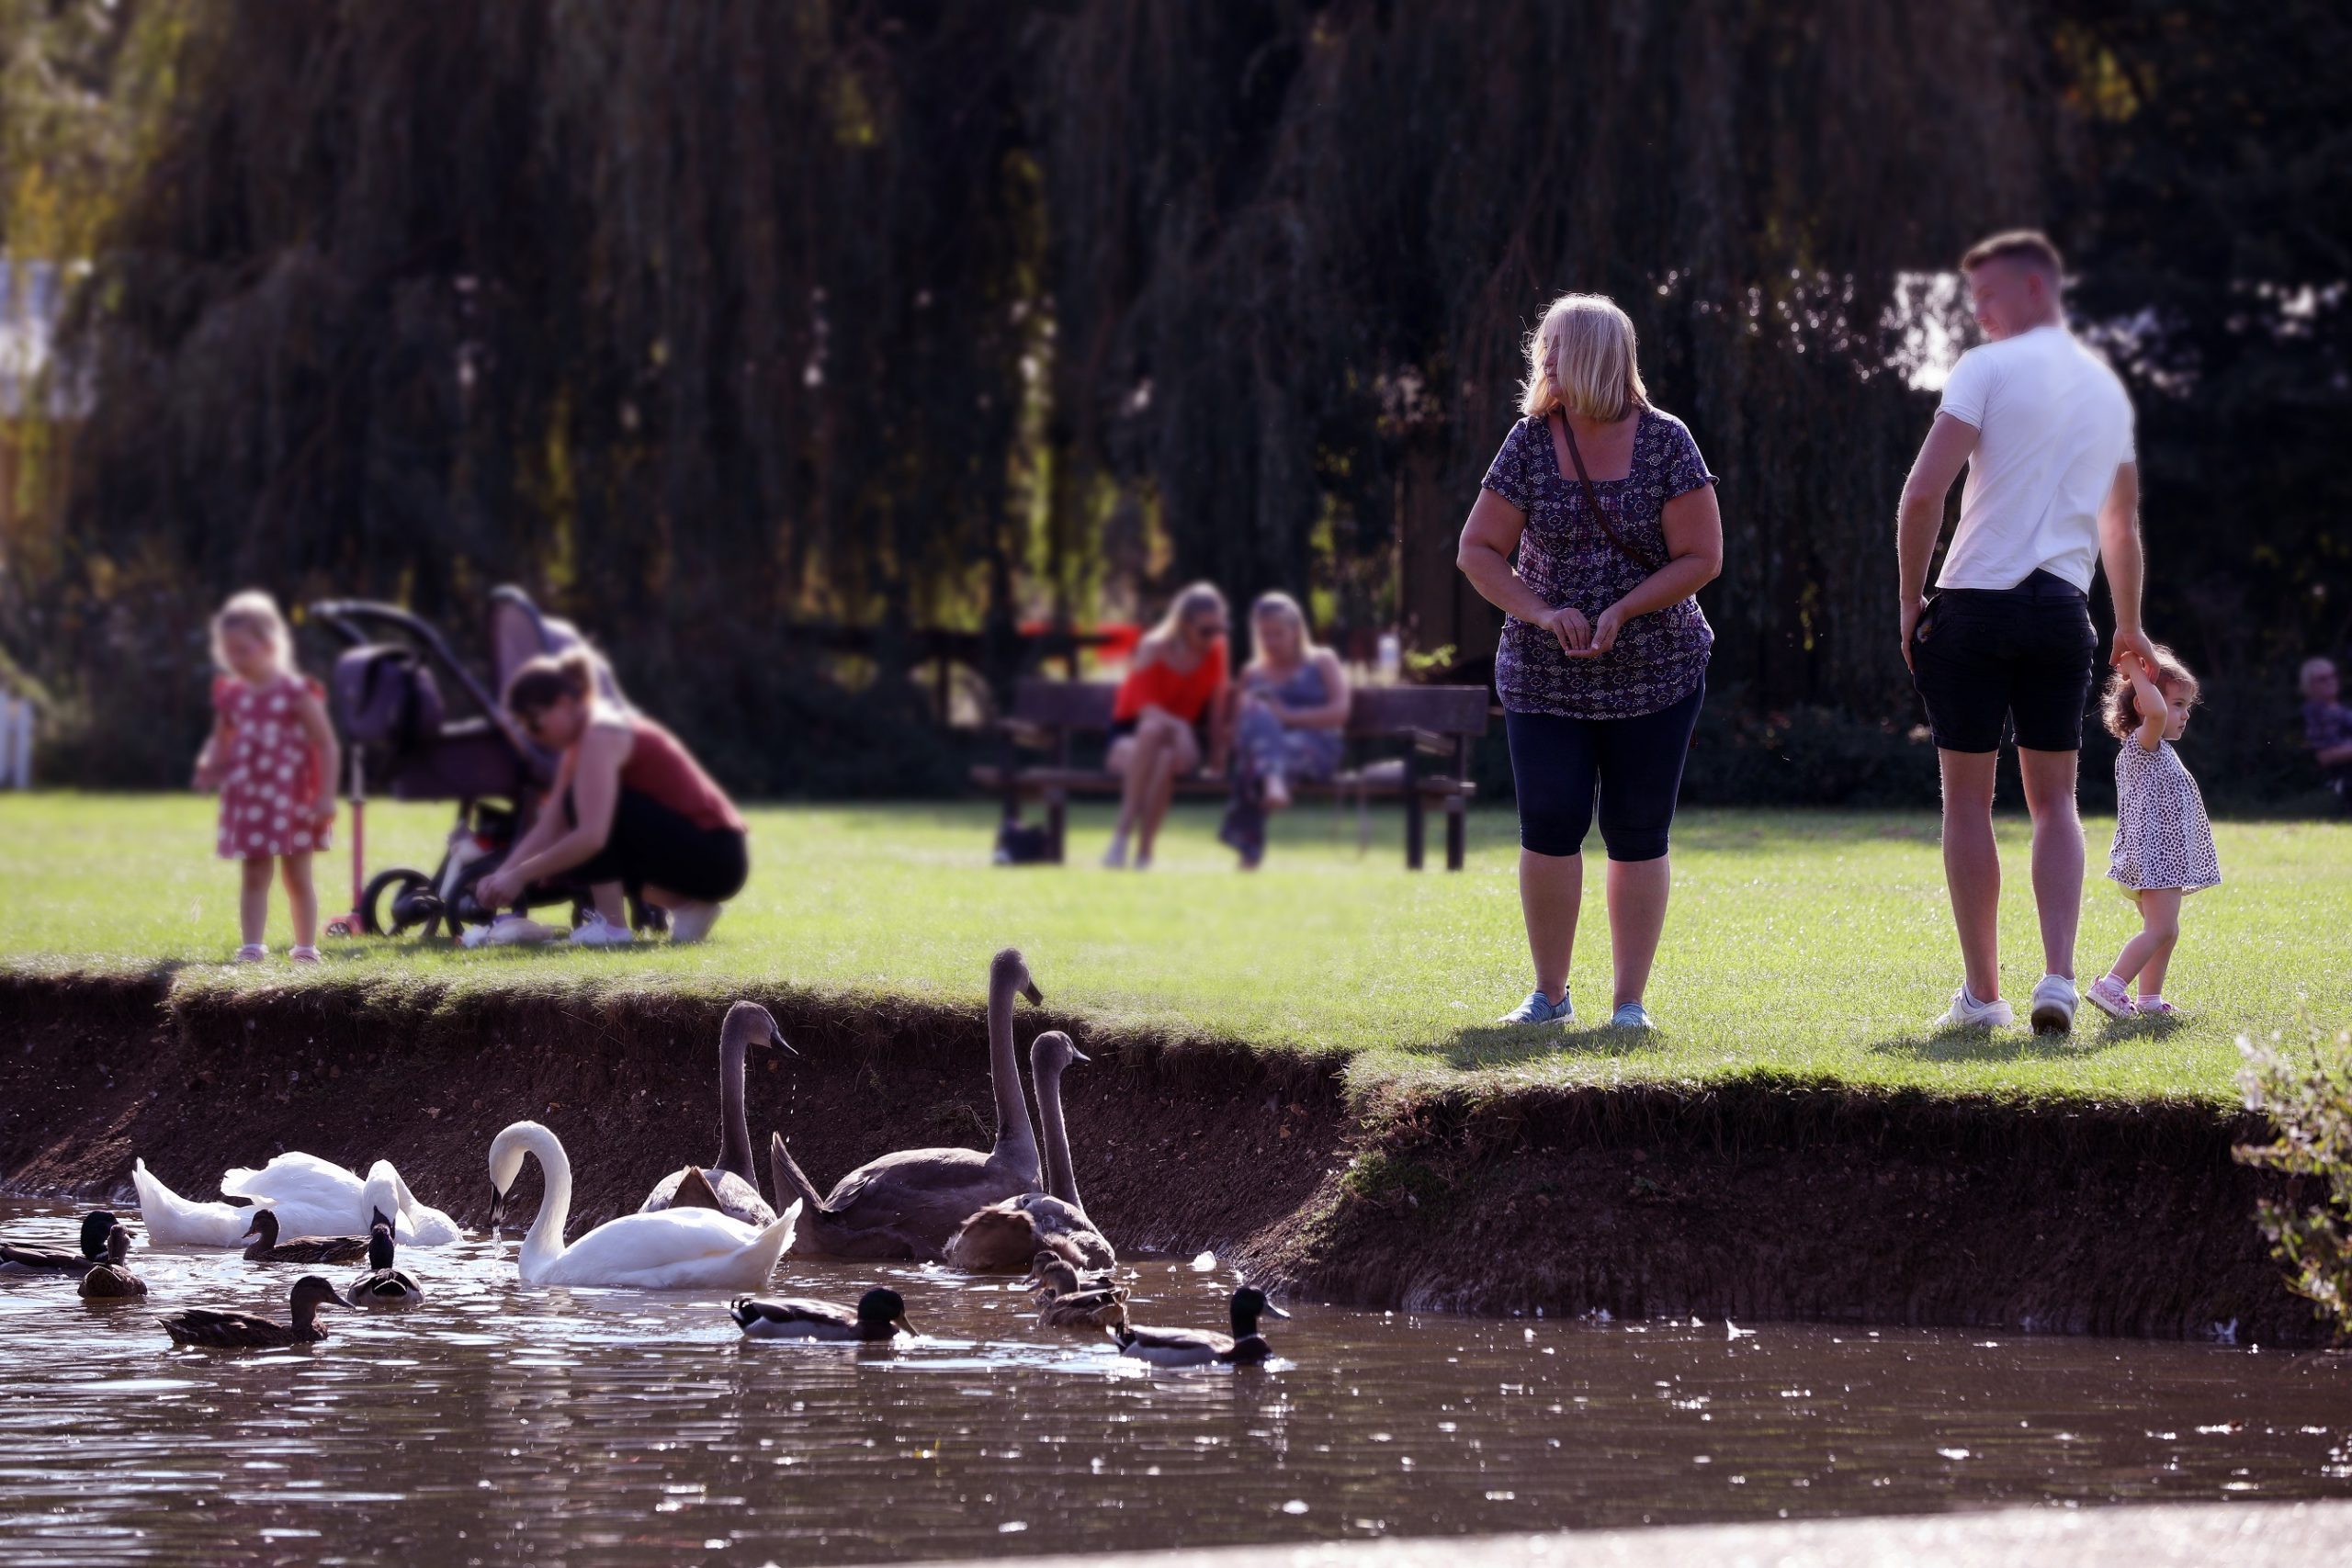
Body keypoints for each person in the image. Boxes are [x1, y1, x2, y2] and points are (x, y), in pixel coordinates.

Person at [1896, 230, 2154, 1035]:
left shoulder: (1984, 370)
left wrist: (1910, 602)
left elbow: (1920, 496)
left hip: (1973, 605)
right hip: (2061, 614)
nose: (1980, 317)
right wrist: (2129, 624)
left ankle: (1982, 996)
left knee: (1967, 804)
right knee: (2056, 802)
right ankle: (2060, 978)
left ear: (2037, 290)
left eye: (1990, 299)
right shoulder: (2107, 391)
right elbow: (2122, 526)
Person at [1457, 293, 1724, 1030]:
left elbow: (1703, 556)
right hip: (1544, 674)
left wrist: (1622, 609)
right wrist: (1542, 612)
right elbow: (1477, 549)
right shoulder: (1530, 442)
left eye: (1552, 349)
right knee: (1549, 821)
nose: (1541, 362)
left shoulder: (1668, 442)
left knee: (1638, 830)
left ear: (1591, 358)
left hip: (1656, 673)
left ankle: (1628, 1004)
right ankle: (1549, 996)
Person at [474, 649, 747, 944]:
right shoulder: (580, 746)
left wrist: (519, 876)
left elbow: (592, 836)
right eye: (526, 729)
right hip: (711, 856)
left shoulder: (601, 734)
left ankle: (612, 928)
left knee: (584, 817)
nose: (534, 734)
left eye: (535, 722)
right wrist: (503, 873)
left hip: (717, 854)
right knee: (574, 826)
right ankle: (689, 908)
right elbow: (549, 825)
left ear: (565, 704)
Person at [193, 590, 339, 964]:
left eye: (243, 649)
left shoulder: (295, 691)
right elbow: (222, 737)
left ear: (269, 645)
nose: (234, 659)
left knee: (297, 875)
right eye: (228, 651)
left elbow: (325, 743)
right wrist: (210, 764)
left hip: (294, 799)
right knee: (255, 872)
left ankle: (305, 948)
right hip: (252, 799)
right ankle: (252, 946)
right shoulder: (232, 695)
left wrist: (325, 795)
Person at [2086, 646, 2218, 1020]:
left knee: (2165, 930)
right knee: (2160, 929)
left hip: (2160, 861)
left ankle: (2149, 1000)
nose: (2185, 713)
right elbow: (2157, 711)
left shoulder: (2157, 749)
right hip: (2154, 860)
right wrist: (2132, 667)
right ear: (2145, 705)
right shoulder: (2143, 744)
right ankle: (2111, 986)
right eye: (2178, 704)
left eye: (2187, 705)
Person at [1217, 592, 1351, 869]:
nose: (1270, 642)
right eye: (1264, 634)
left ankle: (1248, 852)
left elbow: (1341, 711)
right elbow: (1237, 727)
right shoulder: (1252, 673)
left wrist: (1288, 716)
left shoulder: (1322, 661)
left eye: (1277, 633)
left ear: (1296, 630)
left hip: (1316, 747)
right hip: (1267, 751)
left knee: (1256, 758)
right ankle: (1272, 782)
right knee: (1254, 709)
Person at [1103, 582, 1230, 870]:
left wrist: (1217, 758)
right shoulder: (1152, 647)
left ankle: (1124, 841)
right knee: (1155, 738)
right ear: (1184, 624)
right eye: (1205, 630)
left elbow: (1218, 705)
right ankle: (1139, 849)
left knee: (1166, 750)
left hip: (1180, 745)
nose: (1214, 637)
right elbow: (1145, 710)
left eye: (1219, 629)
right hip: (1132, 735)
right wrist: (1180, 727)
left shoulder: (1217, 649)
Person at [2301, 657, 2352, 808]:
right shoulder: (2315, 713)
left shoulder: (2341, 710)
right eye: (2323, 679)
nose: (2331, 681)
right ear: (2310, 686)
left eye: (2333, 676)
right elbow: (2325, 756)